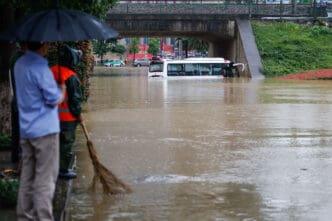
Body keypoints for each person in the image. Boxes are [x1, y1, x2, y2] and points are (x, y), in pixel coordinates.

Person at [14, 42, 65, 221]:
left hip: (26, 130)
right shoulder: (40, 67)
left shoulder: (19, 65)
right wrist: (61, 90)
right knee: (45, 179)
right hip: (45, 132)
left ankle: (25, 217)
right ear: (43, 45)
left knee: (27, 178)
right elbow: (53, 99)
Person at [51, 45, 83, 179]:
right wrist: (79, 114)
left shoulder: (51, 70)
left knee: (54, 143)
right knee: (66, 144)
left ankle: (52, 167)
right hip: (67, 118)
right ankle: (63, 170)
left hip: (51, 117)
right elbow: (75, 100)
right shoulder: (71, 76)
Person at [9, 42, 27, 169]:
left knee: (16, 131)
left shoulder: (14, 57)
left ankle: (15, 157)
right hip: (22, 102)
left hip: (16, 101)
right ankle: (21, 161)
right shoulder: (22, 60)